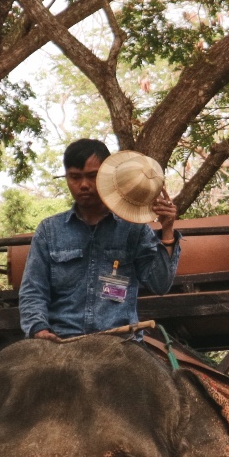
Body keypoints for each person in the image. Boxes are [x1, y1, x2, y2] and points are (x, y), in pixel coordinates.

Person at [20, 138, 180, 339]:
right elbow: (33, 291)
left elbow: (161, 285)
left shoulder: (134, 229)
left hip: (120, 342)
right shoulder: (49, 230)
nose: (84, 185)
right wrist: (39, 329)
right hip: (61, 341)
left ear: (107, 177)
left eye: (92, 176)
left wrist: (167, 229)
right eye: (75, 177)